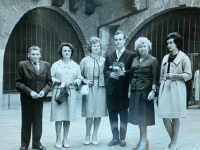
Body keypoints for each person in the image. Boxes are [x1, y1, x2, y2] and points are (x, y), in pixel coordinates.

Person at [158, 32, 192, 150]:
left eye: (171, 43)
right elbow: (161, 75)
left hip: (177, 88)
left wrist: (174, 76)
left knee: (175, 116)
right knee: (164, 115)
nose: (169, 45)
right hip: (165, 88)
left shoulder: (184, 58)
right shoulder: (165, 57)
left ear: (177, 43)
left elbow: (188, 75)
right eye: (167, 43)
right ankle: (173, 141)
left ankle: (173, 143)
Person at [15, 45, 52, 150]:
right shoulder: (22, 65)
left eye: (37, 54)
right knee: (26, 120)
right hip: (27, 98)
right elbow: (18, 83)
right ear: (29, 55)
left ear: (40, 55)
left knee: (38, 120)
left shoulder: (46, 65)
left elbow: (49, 82)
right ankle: (24, 144)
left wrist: (43, 92)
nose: (35, 56)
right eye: (33, 54)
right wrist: (30, 92)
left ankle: (37, 143)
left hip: (39, 98)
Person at [104, 30, 136, 147]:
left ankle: (122, 138)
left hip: (123, 90)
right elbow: (105, 70)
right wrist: (110, 74)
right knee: (112, 115)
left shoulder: (131, 55)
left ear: (124, 40)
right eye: (116, 39)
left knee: (123, 115)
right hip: (111, 91)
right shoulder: (109, 55)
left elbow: (133, 70)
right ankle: (115, 137)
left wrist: (124, 73)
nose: (118, 42)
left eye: (120, 39)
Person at [128, 37, 159, 150]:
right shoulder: (135, 60)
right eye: (140, 47)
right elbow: (131, 75)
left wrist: (153, 91)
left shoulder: (153, 60)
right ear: (137, 48)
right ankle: (142, 140)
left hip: (145, 92)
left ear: (148, 47)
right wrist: (129, 90)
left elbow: (155, 77)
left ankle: (144, 142)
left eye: (144, 46)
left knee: (143, 118)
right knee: (138, 118)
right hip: (135, 92)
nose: (142, 48)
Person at [50, 42, 83, 148]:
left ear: (71, 52)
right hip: (58, 92)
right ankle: (58, 138)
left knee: (68, 116)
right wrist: (58, 82)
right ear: (61, 52)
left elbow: (79, 78)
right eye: (64, 50)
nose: (67, 52)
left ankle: (65, 138)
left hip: (70, 92)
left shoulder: (76, 66)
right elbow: (50, 77)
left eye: (69, 51)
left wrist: (73, 82)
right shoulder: (55, 65)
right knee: (59, 116)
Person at [80, 37, 107, 146]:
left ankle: (95, 135)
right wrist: (85, 81)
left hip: (101, 88)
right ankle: (87, 134)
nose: (96, 48)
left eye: (98, 46)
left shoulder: (104, 60)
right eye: (94, 46)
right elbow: (79, 75)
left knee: (98, 112)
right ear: (90, 47)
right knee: (89, 112)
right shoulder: (84, 60)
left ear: (100, 47)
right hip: (89, 88)